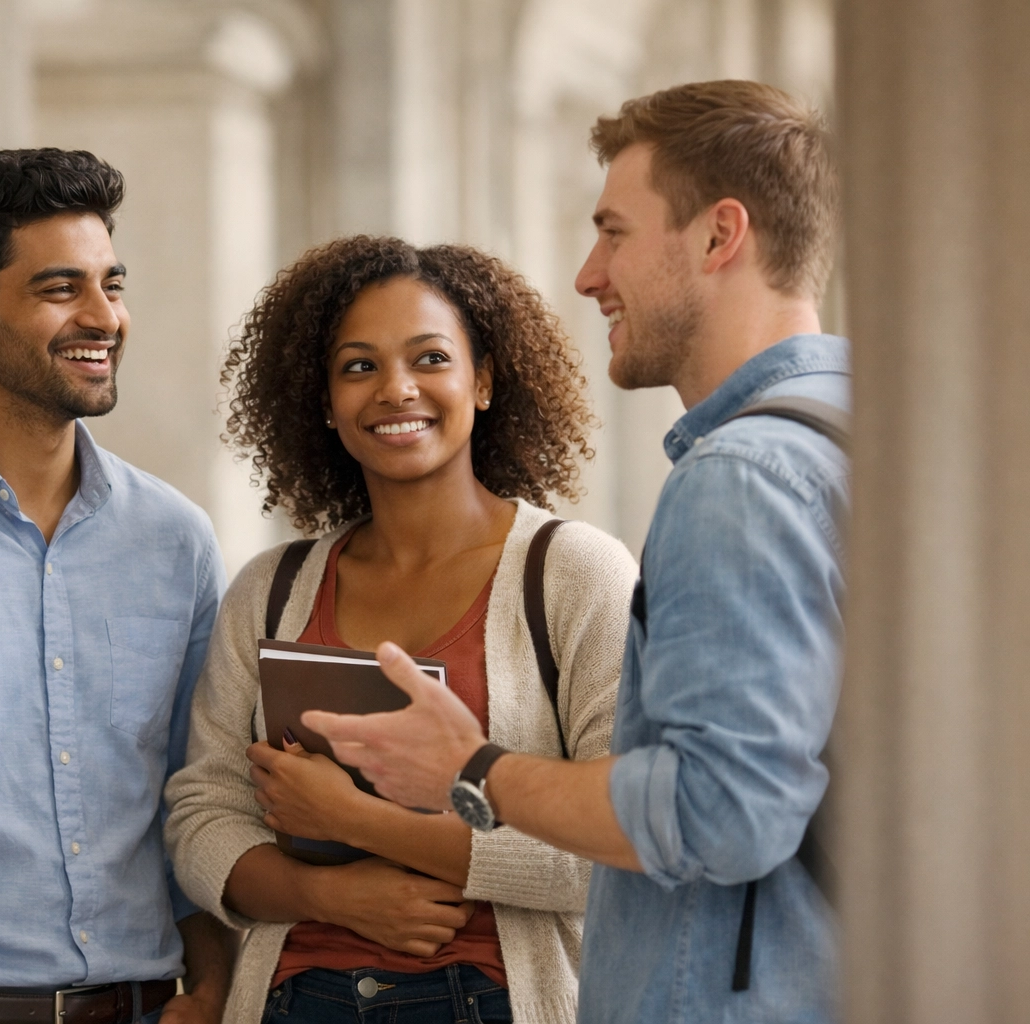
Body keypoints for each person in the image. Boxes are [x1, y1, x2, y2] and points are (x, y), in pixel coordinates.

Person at [304, 81, 848, 1024]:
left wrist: (471, 772)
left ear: (722, 236)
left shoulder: (742, 479)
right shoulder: (859, 433)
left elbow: (721, 813)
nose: (589, 274)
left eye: (615, 232)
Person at [164, 236, 638, 1024]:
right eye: (358, 366)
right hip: (291, 1000)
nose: (396, 389)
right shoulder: (271, 589)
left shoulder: (574, 575)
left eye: (429, 359)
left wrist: (359, 822)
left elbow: (618, 845)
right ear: (322, 399)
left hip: (494, 999)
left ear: (482, 380)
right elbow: (202, 812)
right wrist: (328, 894)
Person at [0, 148, 233, 1024]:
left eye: (111, 285)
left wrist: (217, 993)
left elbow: (194, 794)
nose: (104, 317)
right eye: (60, 290)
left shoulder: (174, 540)